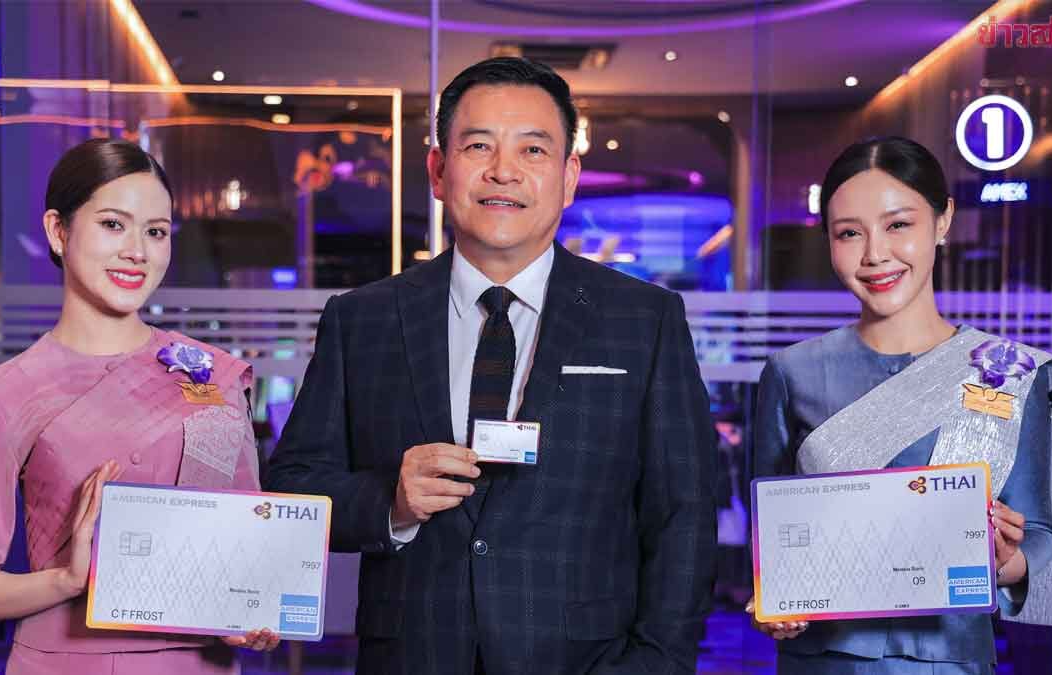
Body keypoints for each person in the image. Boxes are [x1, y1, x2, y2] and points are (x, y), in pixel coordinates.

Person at [265, 57, 718, 675]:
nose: (503, 170)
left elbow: (683, 514)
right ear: (438, 170)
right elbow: (294, 489)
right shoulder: (363, 318)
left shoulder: (645, 319)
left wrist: (656, 664)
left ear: (568, 177)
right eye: (478, 145)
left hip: (586, 661)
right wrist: (391, 501)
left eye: (533, 149)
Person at [0, 138, 279, 675]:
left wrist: (249, 612)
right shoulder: (3, 392)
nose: (137, 251)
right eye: (113, 225)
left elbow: (244, 539)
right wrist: (66, 580)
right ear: (58, 230)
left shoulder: (211, 375)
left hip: (200, 665)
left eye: (156, 232)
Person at [748, 136, 1052, 674]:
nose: (875, 254)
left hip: (951, 660)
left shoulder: (1007, 371)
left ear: (942, 220)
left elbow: (1040, 534)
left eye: (898, 224)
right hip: (825, 661)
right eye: (849, 233)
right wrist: (772, 602)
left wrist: (1005, 559)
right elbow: (771, 533)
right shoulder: (793, 372)